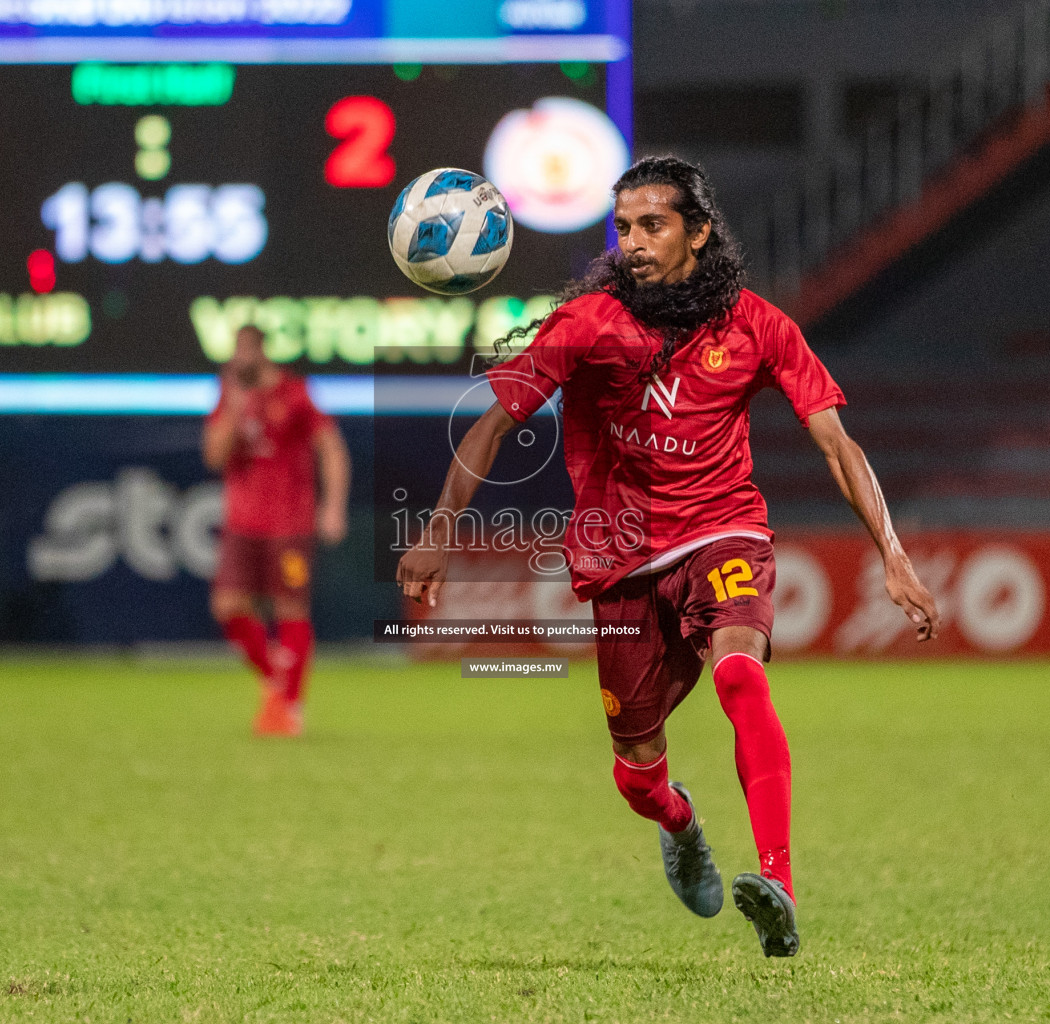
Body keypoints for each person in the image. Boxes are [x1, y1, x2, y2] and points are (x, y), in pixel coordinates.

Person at [396, 157, 939, 957]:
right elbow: (491, 425)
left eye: (652, 225)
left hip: (723, 532)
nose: (633, 243)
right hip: (620, 558)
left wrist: (891, 552)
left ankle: (780, 885)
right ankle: (681, 824)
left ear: (698, 231)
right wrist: (440, 528)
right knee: (637, 776)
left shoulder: (758, 326)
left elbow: (835, 442)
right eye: (622, 228)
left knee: (738, 673)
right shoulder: (587, 324)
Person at [205, 325, 350, 737]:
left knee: (290, 609)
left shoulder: (295, 394)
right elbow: (215, 456)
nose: (239, 360)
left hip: (290, 524)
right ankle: (276, 677)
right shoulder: (231, 396)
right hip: (242, 523)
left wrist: (333, 506)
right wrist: (234, 407)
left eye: (245, 352)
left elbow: (332, 448)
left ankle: (290, 707)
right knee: (228, 607)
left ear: (261, 352)